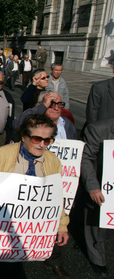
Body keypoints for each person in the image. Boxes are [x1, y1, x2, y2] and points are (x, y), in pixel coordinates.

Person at [0, 114, 69, 279]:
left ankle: (55, 262)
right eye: (37, 139)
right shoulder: (0, 157)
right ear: (24, 137)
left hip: (40, 221)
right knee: (7, 268)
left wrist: (62, 225)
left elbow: (57, 196)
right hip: (8, 221)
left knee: (52, 248)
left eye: (47, 141)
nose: (42, 145)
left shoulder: (53, 161)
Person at [79, 117, 114, 278]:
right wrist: (92, 186)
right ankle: (97, 259)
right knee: (96, 227)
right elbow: (85, 158)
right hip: (101, 186)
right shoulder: (97, 129)